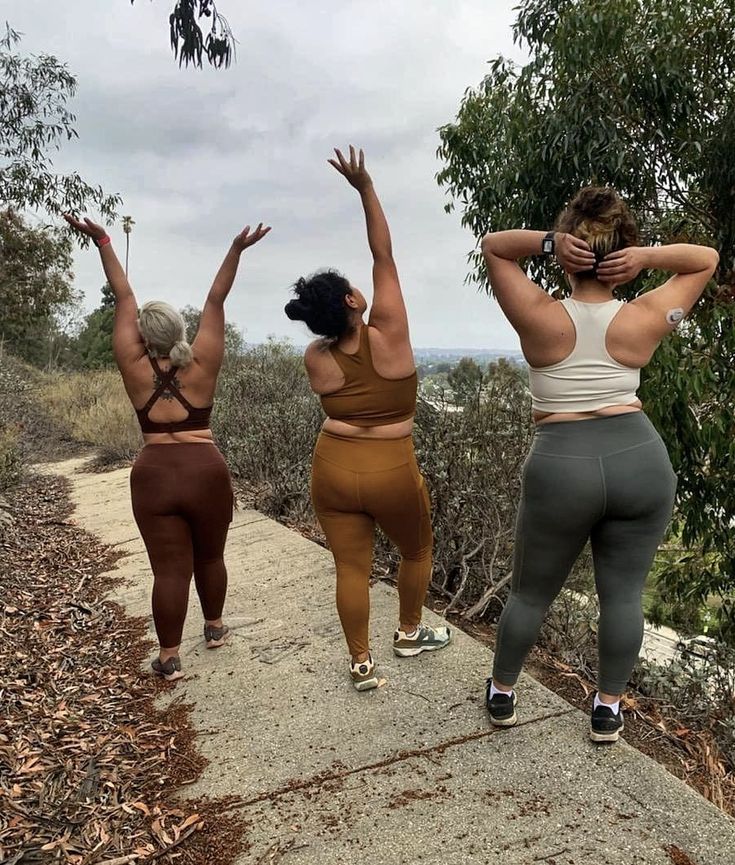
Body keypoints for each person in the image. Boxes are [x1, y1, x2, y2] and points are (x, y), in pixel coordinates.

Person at [479, 186, 718, 741]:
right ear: (623, 257)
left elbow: (494, 247)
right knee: (625, 595)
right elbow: (705, 259)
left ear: (568, 253)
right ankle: (608, 709)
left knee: (530, 593)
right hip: (640, 459)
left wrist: (545, 242)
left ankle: (503, 695)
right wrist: (648, 257)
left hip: (562, 464)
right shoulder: (643, 316)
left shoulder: (540, 314)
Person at [64, 213, 271, 680]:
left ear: (143, 335)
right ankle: (215, 629)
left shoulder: (131, 364)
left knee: (169, 570)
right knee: (211, 556)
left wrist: (102, 241)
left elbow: (123, 296)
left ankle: (169, 657)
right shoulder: (202, 362)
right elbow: (217, 298)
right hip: (205, 471)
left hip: (154, 474)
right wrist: (236, 249)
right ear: (179, 331)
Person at [284, 146, 450, 691]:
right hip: (390, 465)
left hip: (332, 463)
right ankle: (407, 633)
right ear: (355, 299)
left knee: (350, 567)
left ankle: (361, 663)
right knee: (417, 548)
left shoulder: (316, 358)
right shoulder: (390, 334)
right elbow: (385, 254)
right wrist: (366, 188)